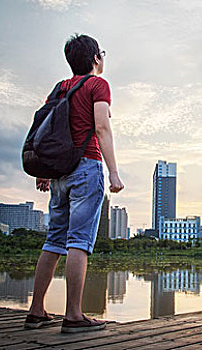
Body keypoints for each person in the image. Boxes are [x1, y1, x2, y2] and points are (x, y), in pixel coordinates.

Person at [24, 34, 124, 333]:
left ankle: (36, 310)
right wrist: (114, 173)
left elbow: (45, 127)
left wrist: (44, 169)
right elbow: (102, 128)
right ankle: (74, 315)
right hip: (86, 167)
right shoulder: (97, 85)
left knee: (54, 240)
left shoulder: (59, 88)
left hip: (58, 173)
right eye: (102, 53)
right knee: (78, 241)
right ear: (96, 58)